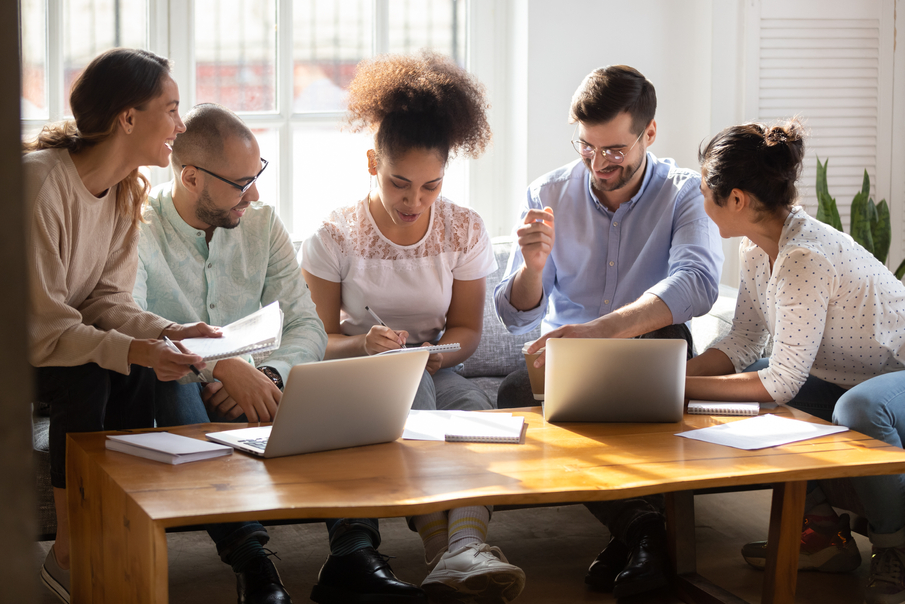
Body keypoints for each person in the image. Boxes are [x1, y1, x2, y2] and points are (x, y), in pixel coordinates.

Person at [133, 102, 428, 604]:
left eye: (258, 175)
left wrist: (269, 374)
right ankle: (254, 564)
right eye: (241, 183)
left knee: (336, 387)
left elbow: (305, 323)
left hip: (263, 388)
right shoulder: (139, 226)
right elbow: (133, 324)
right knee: (168, 386)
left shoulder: (262, 223)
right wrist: (219, 367)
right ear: (191, 178)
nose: (255, 193)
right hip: (178, 395)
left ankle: (353, 557)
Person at [299, 50, 526, 603]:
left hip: (436, 364)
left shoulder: (462, 228)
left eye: (431, 186)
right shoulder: (335, 235)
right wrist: (364, 343)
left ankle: (459, 549)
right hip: (362, 372)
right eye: (400, 183)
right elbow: (314, 342)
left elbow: (467, 329)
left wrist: (438, 354)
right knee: (415, 391)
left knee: (476, 411)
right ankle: (452, 550)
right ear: (371, 163)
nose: (415, 201)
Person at [494, 65, 724, 597]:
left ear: (650, 133)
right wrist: (532, 269)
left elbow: (698, 283)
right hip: (569, 360)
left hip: (652, 345)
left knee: (661, 345)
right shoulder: (548, 192)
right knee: (514, 392)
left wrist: (598, 333)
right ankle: (644, 531)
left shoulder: (686, 193)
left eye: (615, 150)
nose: (599, 164)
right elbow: (516, 316)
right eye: (587, 147)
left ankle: (634, 535)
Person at [25, 48, 220, 604]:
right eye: (172, 109)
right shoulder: (40, 185)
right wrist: (137, 348)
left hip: (53, 337)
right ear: (128, 118)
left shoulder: (126, 189)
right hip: (0, 349)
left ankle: (116, 528)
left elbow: (107, 299)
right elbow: (43, 329)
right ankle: (69, 552)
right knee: (89, 373)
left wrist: (167, 333)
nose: (180, 126)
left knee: (135, 369)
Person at [686, 118, 905, 604]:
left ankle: (895, 547)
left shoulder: (804, 255)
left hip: (897, 375)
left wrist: (675, 389)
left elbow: (782, 381)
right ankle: (824, 534)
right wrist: (671, 375)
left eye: (705, 191)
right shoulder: (756, 249)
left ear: (736, 199)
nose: (701, 203)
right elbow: (744, 342)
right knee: (749, 394)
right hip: (851, 375)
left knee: (859, 409)